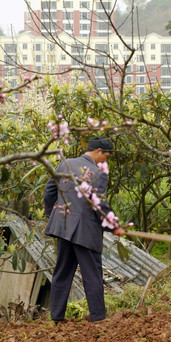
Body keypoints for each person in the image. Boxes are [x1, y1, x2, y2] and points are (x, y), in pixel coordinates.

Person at [43, 136, 124, 323]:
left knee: (62, 272)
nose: (106, 161)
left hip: (63, 228)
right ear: (98, 152)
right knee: (92, 274)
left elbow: (49, 192)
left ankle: (56, 317)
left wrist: (53, 215)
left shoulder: (65, 164)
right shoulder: (98, 173)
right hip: (85, 231)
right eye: (107, 156)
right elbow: (99, 204)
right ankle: (98, 317)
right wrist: (114, 227)